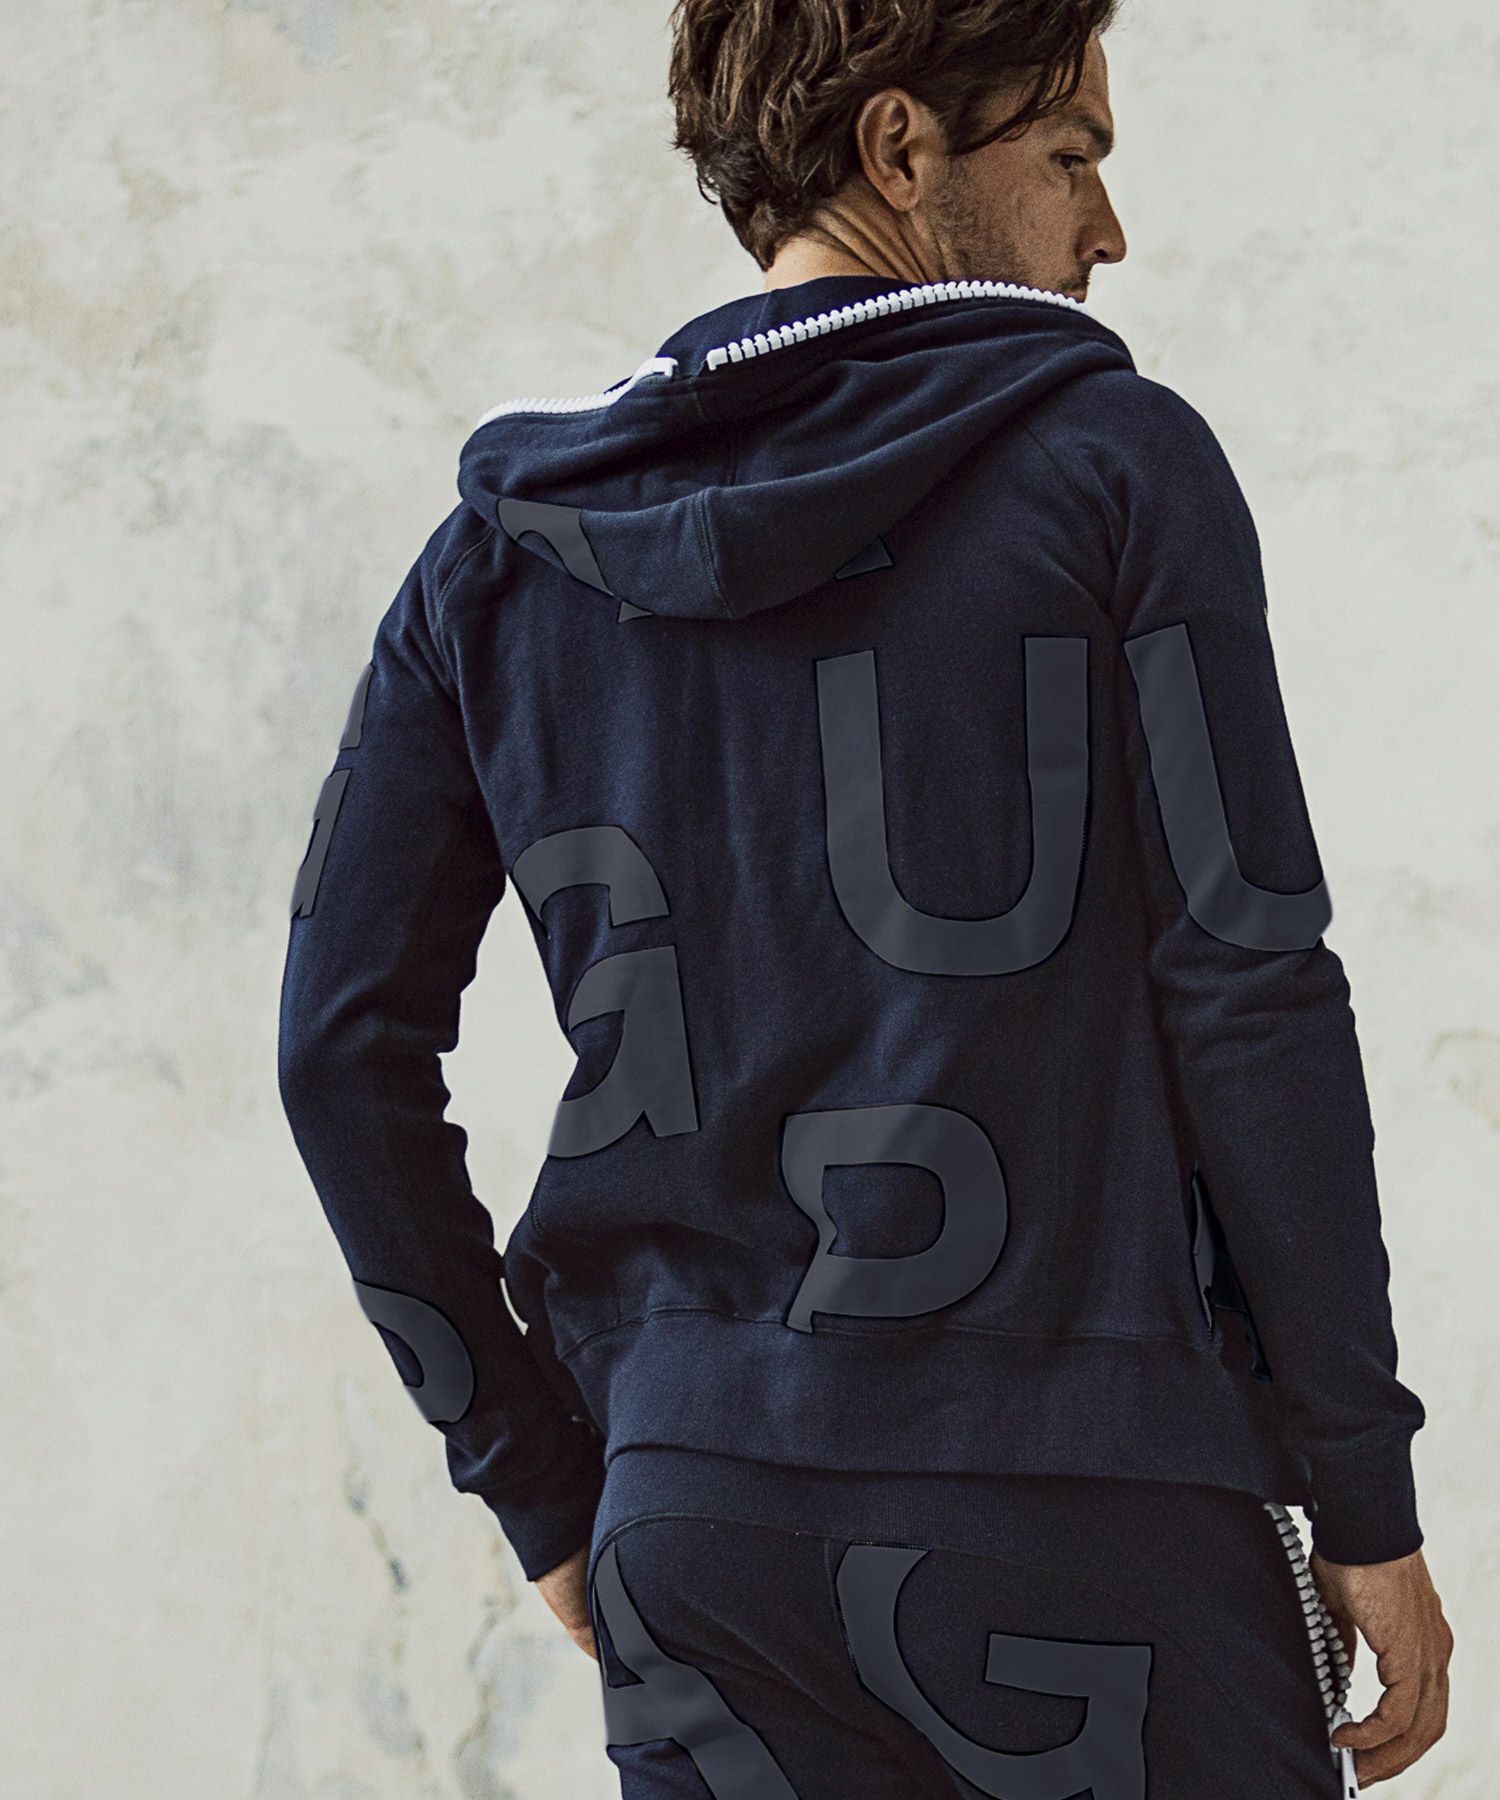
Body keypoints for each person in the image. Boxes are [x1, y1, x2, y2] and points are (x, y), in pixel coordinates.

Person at [277, 1, 1453, 1791]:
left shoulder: (496, 562)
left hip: (701, 1527)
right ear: (902, 150)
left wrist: (546, 1485)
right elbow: (1251, 986)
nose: (1107, 230)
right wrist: (1365, 1494)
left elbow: (336, 1055)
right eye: (1071, 157)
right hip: (1092, 1505)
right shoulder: (1117, 463)